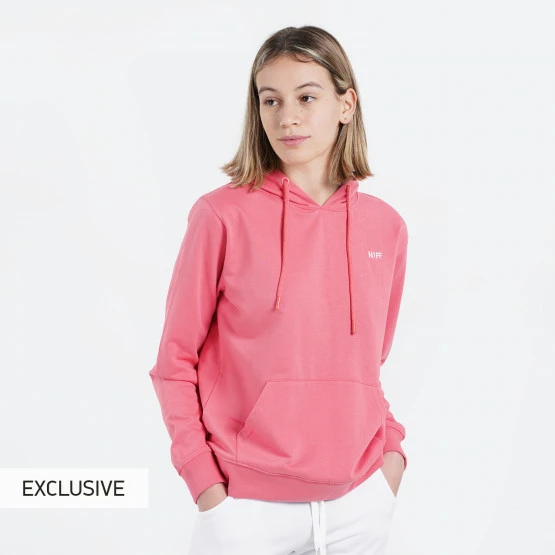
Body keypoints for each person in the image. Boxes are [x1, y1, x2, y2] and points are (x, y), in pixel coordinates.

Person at [149, 25, 409, 555]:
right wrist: (205, 484)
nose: (287, 117)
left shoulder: (386, 227)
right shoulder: (220, 215)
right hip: (245, 508)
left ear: (346, 105)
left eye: (306, 97)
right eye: (271, 100)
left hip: (359, 500)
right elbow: (175, 362)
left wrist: (391, 460)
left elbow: (368, 364)